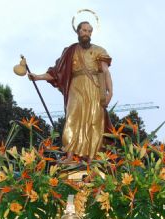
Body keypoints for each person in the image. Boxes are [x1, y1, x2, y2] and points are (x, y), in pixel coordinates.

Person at [29, 21, 113, 160]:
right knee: (72, 118)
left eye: (89, 31)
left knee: (95, 120)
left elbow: (106, 72)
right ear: (78, 31)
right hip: (75, 86)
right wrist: (37, 77)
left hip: (94, 87)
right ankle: (69, 155)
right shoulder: (69, 52)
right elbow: (56, 73)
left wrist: (110, 92)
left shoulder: (99, 50)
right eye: (84, 30)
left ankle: (92, 158)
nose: (87, 33)